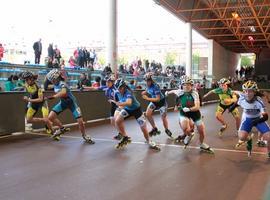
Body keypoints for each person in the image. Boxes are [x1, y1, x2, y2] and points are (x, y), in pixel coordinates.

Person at [165, 76, 214, 153]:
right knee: (185, 128)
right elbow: (173, 91)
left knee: (202, 131)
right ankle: (189, 135)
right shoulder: (179, 92)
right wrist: (167, 93)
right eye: (184, 84)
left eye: (188, 84)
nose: (186, 86)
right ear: (182, 85)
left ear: (191, 86)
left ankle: (201, 144)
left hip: (195, 113)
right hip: (184, 113)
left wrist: (189, 109)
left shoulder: (195, 93)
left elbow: (197, 107)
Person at [45, 69, 95, 144]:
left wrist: (54, 96)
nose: (52, 82)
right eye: (51, 80)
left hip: (72, 103)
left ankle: (84, 135)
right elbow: (46, 86)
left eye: (53, 80)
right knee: (50, 117)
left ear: (57, 78)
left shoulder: (63, 84)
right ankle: (62, 128)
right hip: (63, 103)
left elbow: (63, 92)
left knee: (80, 122)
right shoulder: (55, 84)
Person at [110, 79, 160, 150]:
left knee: (143, 127)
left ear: (124, 87)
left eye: (121, 88)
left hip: (137, 110)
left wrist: (119, 104)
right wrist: (118, 104)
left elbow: (129, 102)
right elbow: (120, 102)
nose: (119, 90)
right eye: (118, 88)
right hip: (128, 109)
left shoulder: (128, 92)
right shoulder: (118, 92)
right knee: (117, 121)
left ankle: (149, 141)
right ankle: (125, 137)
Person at [228, 81, 270, 158]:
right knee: (241, 137)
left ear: (254, 92)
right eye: (245, 91)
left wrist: (257, 121)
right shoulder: (242, 98)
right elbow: (238, 103)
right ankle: (249, 139)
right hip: (247, 118)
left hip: (258, 118)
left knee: (268, 136)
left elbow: (265, 117)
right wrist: (232, 107)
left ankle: (269, 152)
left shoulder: (259, 101)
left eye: (250, 91)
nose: (247, 93)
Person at [21, 71, 54, 136]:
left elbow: (40, 99)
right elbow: (27, 90)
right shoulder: (26, 84)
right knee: (29, 119)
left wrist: (29, 100)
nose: (26, 81)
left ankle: (53, 133)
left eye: (27, 79)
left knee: (46, 120)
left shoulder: (38, 87)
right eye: (25, 80)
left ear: (31, 79)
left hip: (42, 103)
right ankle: (46, 121)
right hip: (34, 104)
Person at [141, 72, 173, 138]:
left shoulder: (155, 86)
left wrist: (147, 98)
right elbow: (148, 90)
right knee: (147, 114)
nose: (147, 82)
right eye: (146, 81)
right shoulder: (147, 86)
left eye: (148, 81)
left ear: (151, 81)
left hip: (161, 102)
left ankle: (166, 129)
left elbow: (158, 99)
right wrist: (144, 92)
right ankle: (154, 128)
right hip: (154, 101)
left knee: (163, 117)